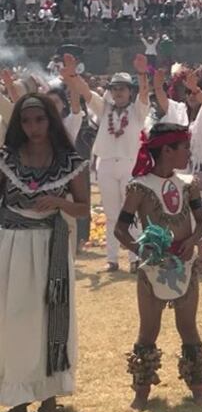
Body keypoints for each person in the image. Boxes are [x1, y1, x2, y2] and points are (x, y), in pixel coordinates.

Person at [0, 94, 90, 412]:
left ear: (50, 120)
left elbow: (83, 208)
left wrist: (58, 202)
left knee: (51, 317)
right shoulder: (6, 159)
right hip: (11, 246)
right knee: (14, 319)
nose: (34, 127)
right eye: (26, 121)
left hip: (50, 247)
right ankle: (16, 396)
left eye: (39, 120)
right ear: (19, 125)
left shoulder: (70, 161)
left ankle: (49, 393)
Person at [115, 122, 202, 409]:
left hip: (184, 265)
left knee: (188, 327)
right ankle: (141, 392)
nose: (188, 152)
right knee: (148, 330)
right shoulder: (139, 187)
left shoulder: (188, 183)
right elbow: (120, 229)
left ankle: (199, 388)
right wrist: (141, 251)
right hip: (152, 269)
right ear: (167, 149)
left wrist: (192, 240)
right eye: (183, 147)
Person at [63, 55, 151, 272]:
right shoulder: (104, 109)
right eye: (114, 88)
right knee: (111, 214)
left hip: (130, 165)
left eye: (123, 88)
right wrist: (73, 75)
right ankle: (112, 260)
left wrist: (141, 74)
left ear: (130, 91)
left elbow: (145, 94)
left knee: (131, 213)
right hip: (106, 165)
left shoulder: (137, 111)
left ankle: (134, 258)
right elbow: (85, 92)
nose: (118, 92)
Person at [153, 69, 202, 266]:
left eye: (195, 93)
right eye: (188, 93)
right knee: (180, 211)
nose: (192, 96)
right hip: (181, 170)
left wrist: (197, 90)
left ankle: (201, 257)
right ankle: (183, 251)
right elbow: (163, 102)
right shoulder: (179, 111)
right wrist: (157, 85)